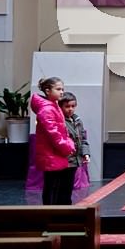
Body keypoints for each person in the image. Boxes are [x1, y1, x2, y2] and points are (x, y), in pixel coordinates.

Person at [30, 77, 76, 205]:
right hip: (51, 154)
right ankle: (50, 213)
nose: (62, 92)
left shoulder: (53, 106)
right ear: (48, 91)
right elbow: (54, 134)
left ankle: (55, 211)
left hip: (55, 153)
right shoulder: (47, 110)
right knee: (51, 187)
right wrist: (68, 146)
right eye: (58, 89)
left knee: (56, 187)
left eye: (62, 89)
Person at [59, 92, 91, 196]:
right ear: (60, 107)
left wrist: (85, 153)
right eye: (67, 106)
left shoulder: (77, 121)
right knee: (61, 189)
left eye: (73, 106)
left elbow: (83, 139)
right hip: (64, 160)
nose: (70, 109)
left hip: (74, 160)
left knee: (68, 189)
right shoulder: (60, 121)